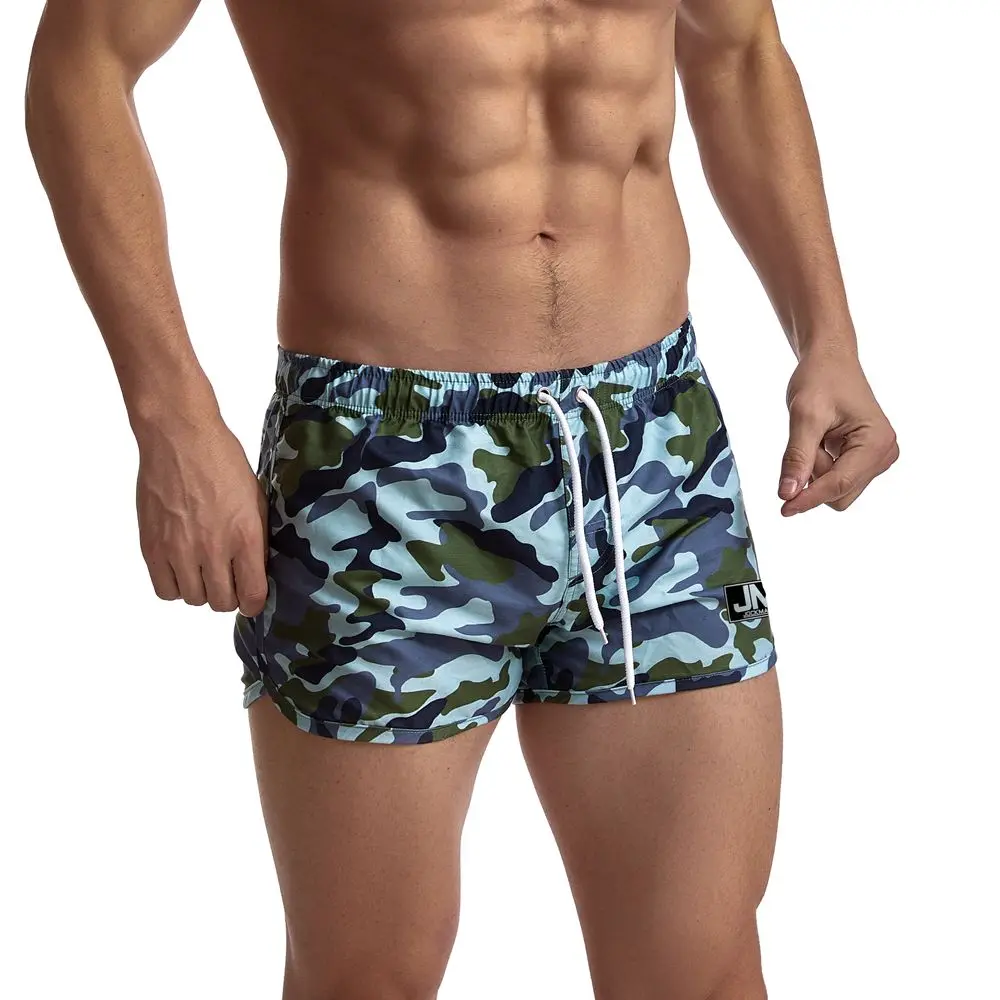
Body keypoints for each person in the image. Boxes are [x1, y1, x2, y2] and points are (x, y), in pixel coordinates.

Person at [25, 0, 897, 997]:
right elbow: (80, 66)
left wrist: (827, 333)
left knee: (699, 971)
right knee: (367, 981)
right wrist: (171, 414)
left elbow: (739, 52)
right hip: (386, 462)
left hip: (651, 442)